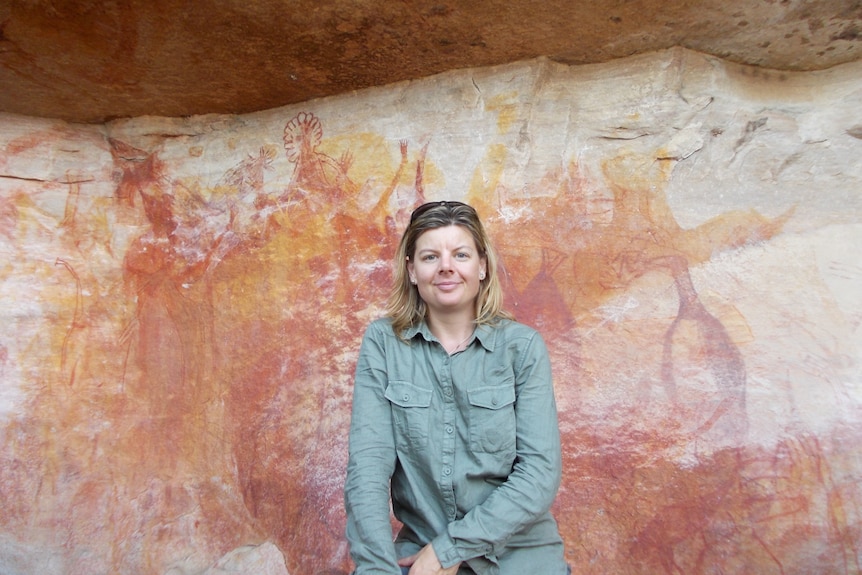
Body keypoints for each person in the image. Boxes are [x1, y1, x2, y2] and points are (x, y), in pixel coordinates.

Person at [344, 201, 569, 575]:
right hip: (416, 557)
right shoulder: (384, 343)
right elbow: (367, 467)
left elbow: (539, 474)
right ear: (412, 270)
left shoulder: (522, 348)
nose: (446, 266)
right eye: (430, 256)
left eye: (460, 254)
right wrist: (377, 569)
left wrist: (449, 549)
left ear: (482, 267)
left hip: (518, 559)